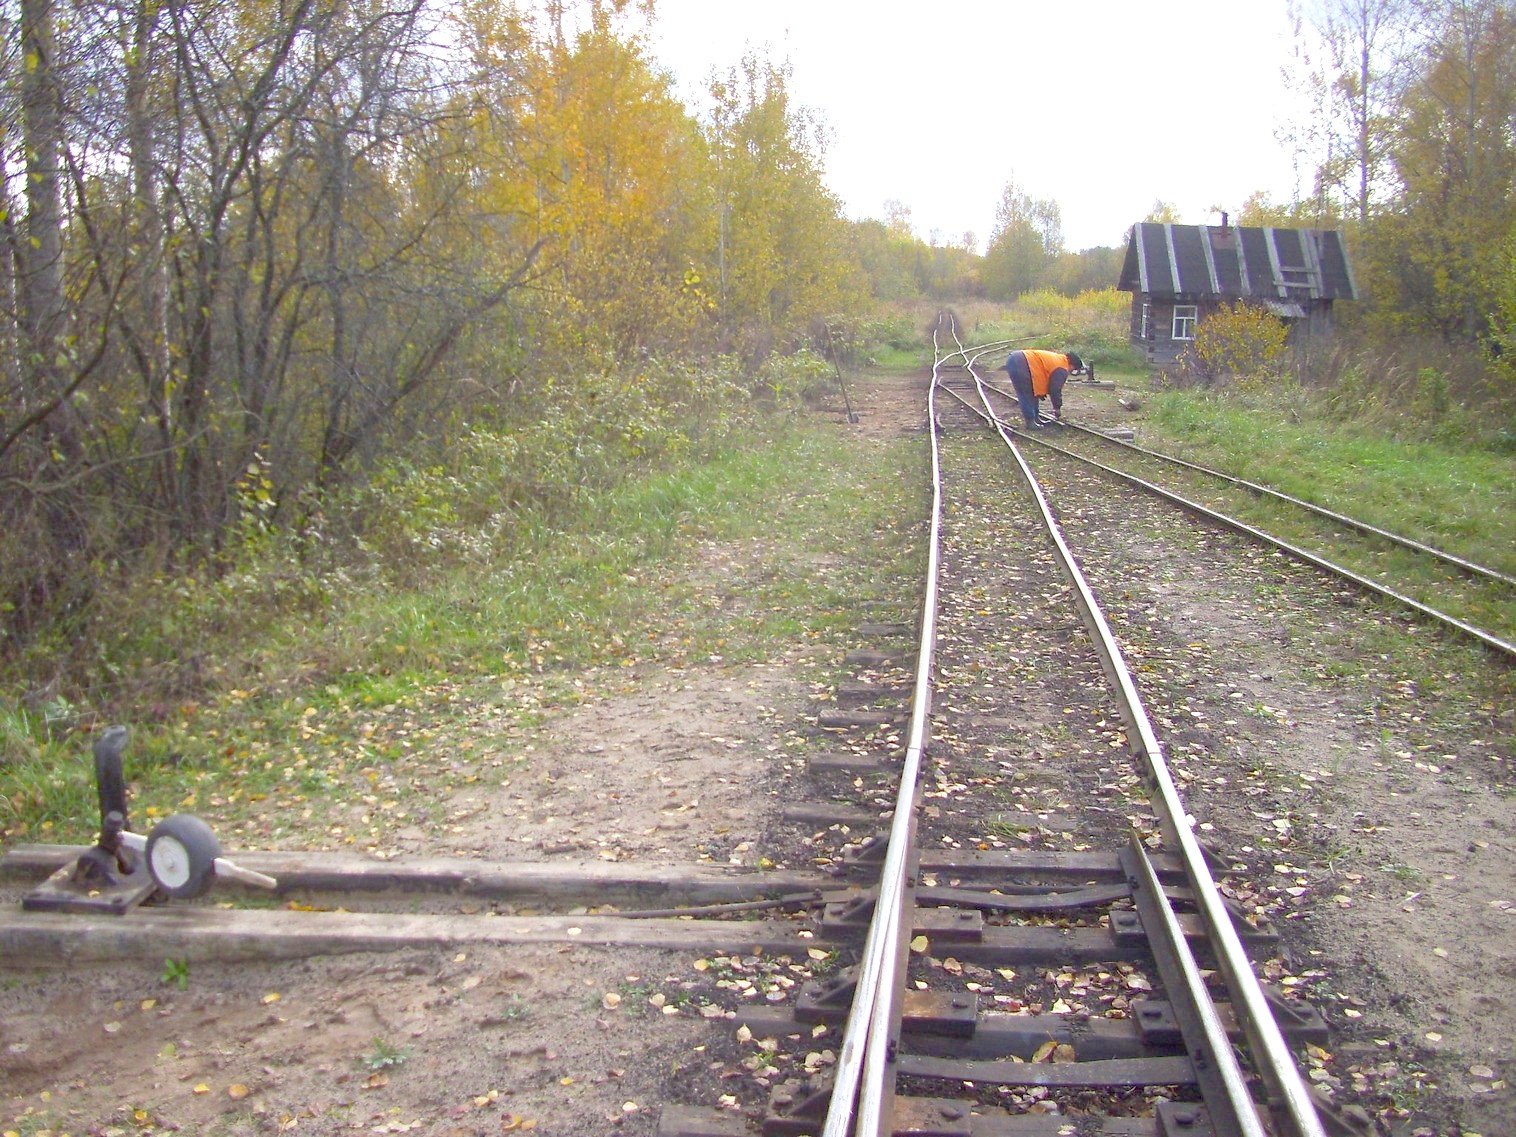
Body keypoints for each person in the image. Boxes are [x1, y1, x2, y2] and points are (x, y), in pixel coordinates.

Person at [1002, 349, 1085, 428]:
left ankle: (1036, 419)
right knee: (1026, 393)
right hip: (1020, 362)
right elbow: (1055, 389)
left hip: (1019, 360)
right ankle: (1030, 423)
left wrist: (1042, 391)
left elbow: (1043, 374)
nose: (1070, 372)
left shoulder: (1060, 360)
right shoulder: (1062, 368)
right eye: (1073, 369)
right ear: (1072, 365)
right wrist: (1057, 408)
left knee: (1033, 393)